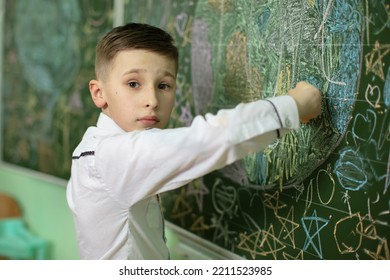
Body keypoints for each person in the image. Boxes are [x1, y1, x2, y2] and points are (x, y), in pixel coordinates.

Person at [66, 22, 322, 260]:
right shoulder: (110, 157)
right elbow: (208, 139)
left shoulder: (95, 150)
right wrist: (295, 107)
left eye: (163, 85)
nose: (152, 100)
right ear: (99, 93)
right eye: (134, 83)